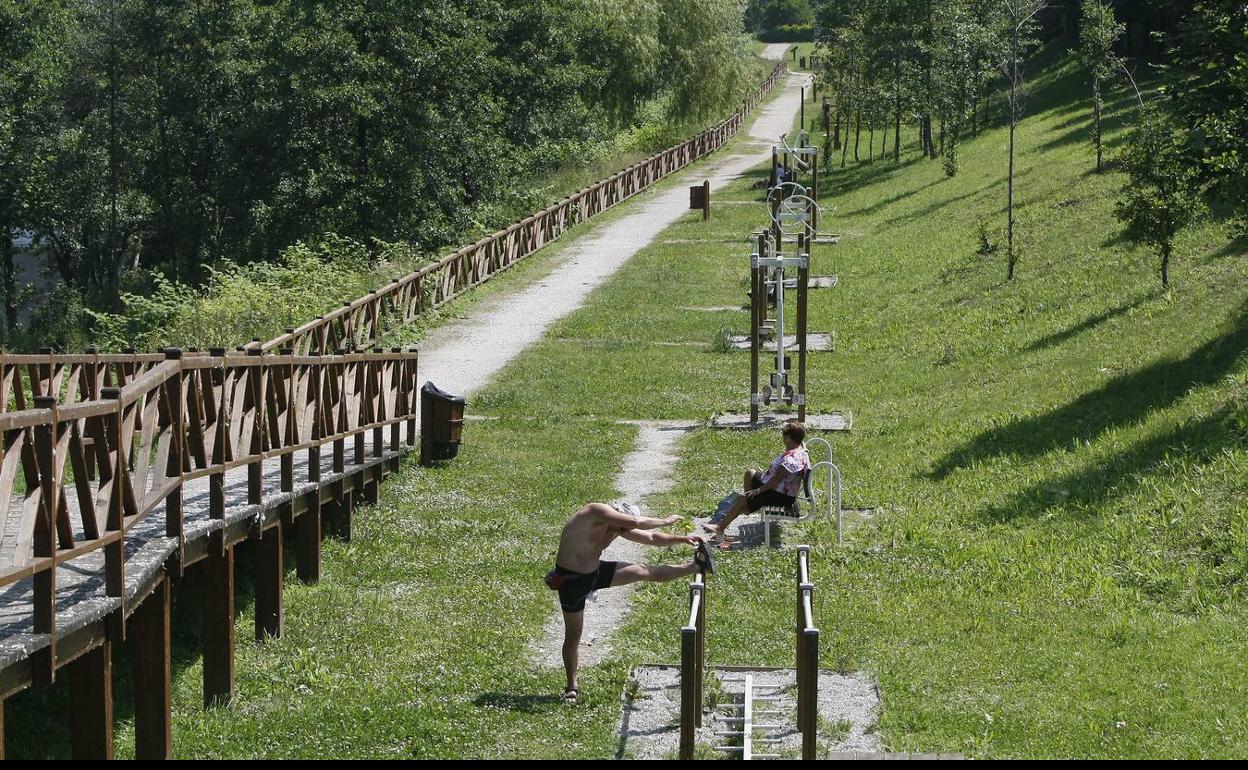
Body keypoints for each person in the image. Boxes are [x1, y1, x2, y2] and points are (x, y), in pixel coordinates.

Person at [545, 502, 712, 705]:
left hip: (595, 573)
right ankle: (572, 686)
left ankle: (696, 566)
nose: (618, 532)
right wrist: (665, 520)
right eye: (619, 526)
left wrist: (683, 539)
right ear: (616, 514)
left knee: (642, 570)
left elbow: (651, 538)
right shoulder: (596, 511)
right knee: (573, 635)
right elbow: (635, 521)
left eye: (622, 530)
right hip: (571, 581)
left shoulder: (618, 527)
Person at [704, 421, 810, 548]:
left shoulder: (791, 458)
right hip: (776, 488)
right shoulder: (799, 449)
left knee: (743, 498)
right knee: (750, 473)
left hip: (781, 495)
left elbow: (775, 481)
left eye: (784, 436)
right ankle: (749, 506)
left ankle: (720, 526)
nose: (782, 439)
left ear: (788, 438)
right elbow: (802, 445)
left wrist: (758, 491)